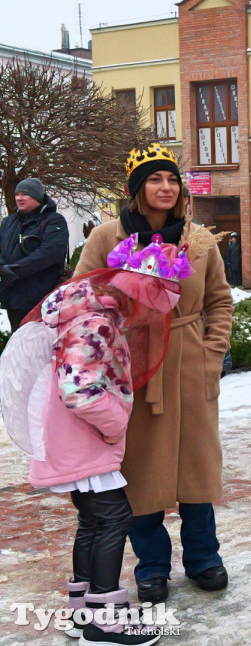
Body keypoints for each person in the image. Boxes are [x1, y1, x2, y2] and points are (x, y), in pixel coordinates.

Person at [0, 235, 189, 645]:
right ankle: (106, 620)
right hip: (84, 438)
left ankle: (83, 611)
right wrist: (115, 422)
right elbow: (78, 389)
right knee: (113, 519)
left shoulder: (85, 312)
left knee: (93, 520)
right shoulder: (97, 322)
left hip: (69, 437)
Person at [74, 143, 234, 603]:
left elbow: (220, 301)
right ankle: (152, 567)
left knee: (196, 470)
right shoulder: (107, 237)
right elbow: (82, 298)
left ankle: (204, 558)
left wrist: (210, 354)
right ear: (136, 189)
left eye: (172, 180)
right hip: (134, 369)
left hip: (187, 363)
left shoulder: (199, 240)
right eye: (154, 179)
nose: (166, 187)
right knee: (141, 473)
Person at [0, 178, 70, 331]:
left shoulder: (54, 221)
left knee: (37, 345)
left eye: (25, 194)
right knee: (17, 346)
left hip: (41, 298)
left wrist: (16, 270)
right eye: (17, 194)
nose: (19, 198)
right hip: (13, 298)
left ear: (38, 197)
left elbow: (50, 253)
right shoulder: (8, 222)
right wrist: (3, 269)